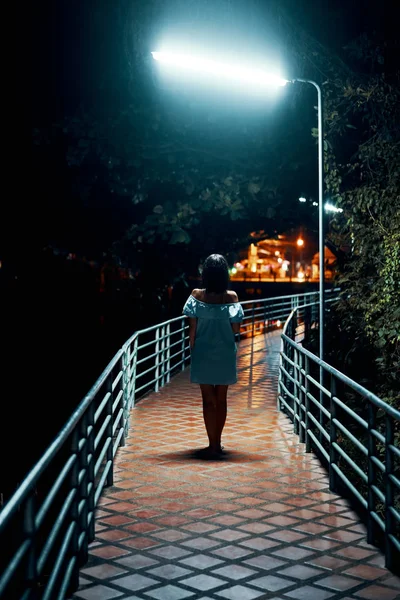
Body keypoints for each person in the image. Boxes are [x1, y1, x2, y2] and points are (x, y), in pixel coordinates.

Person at [183, 254, 244, 458]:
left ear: (205, 274)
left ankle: (212, 445)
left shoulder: (196, 295)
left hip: (203, 351)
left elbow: (192, 330)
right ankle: (218, 444)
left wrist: (194, 347)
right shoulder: (231, 297)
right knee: (222, 399)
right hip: (225, 352)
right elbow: (236, 329)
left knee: (207, 400)